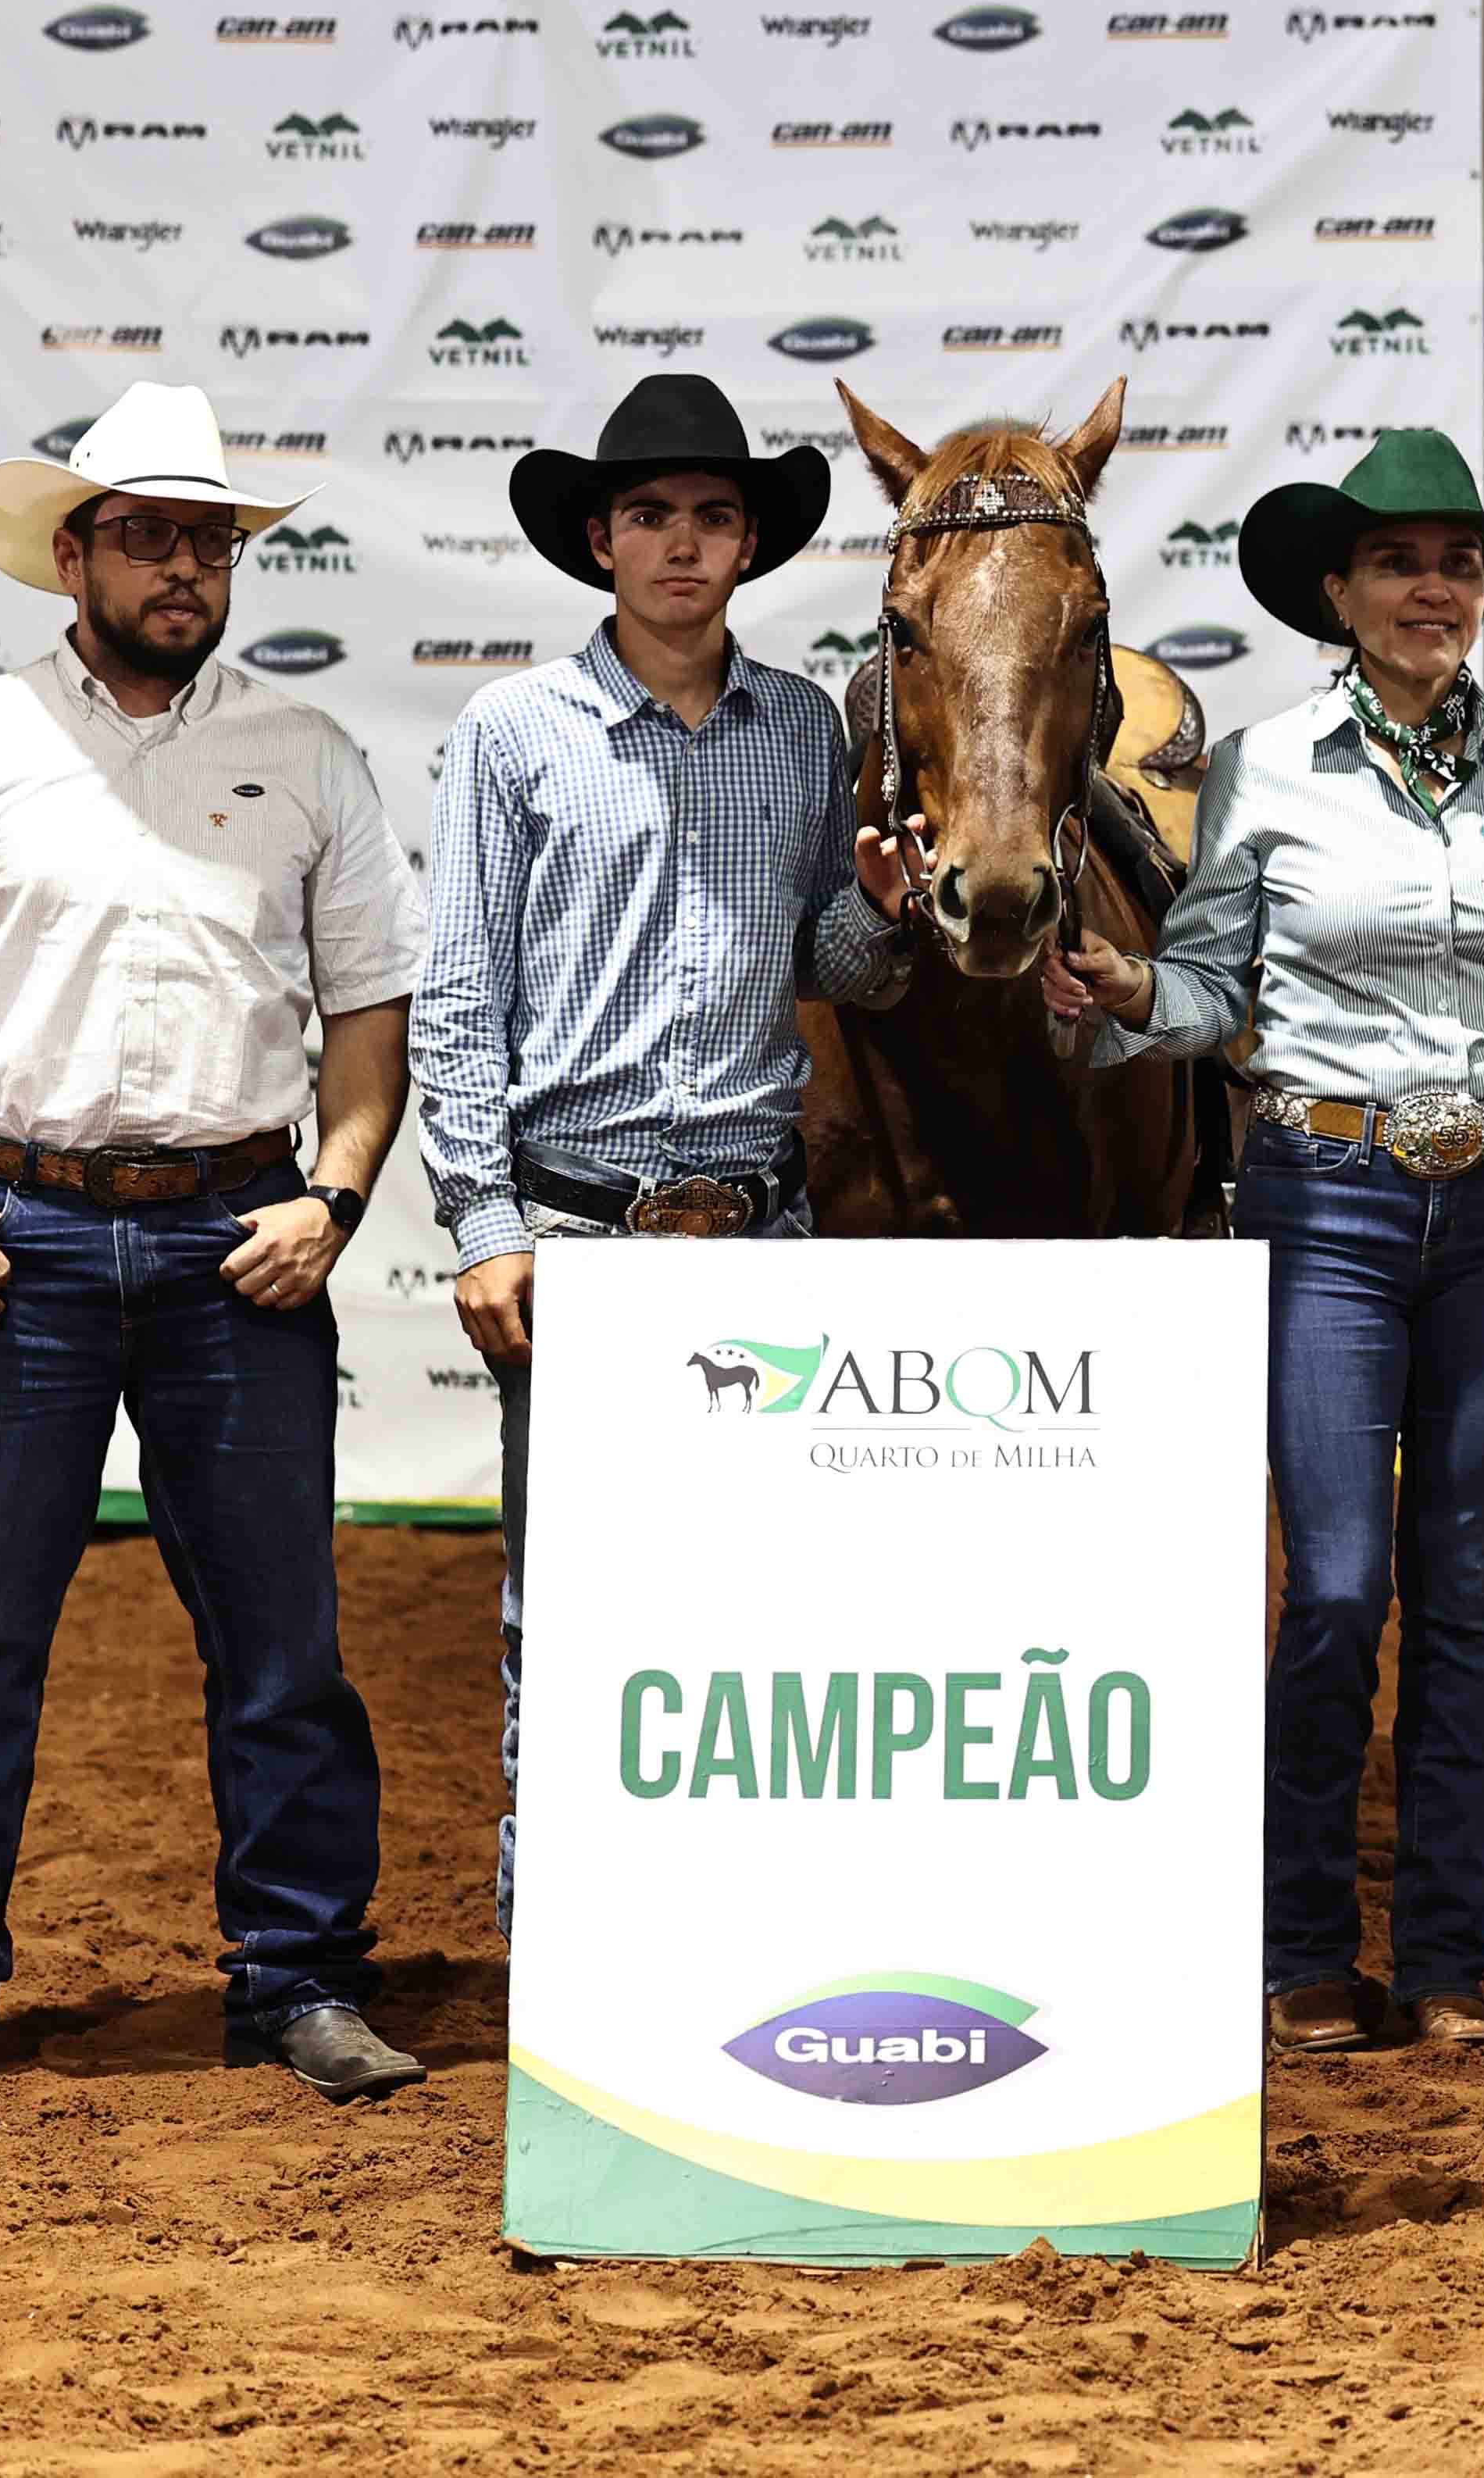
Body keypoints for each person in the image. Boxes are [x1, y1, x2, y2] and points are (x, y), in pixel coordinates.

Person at [0, 383, 429, 2112]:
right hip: (15, 1244)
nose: (181, 567)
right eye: (145, 535)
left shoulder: (309, 753)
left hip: (242, 1244)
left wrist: (336, 1194)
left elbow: (374, 1008)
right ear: (70, 554)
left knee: (285, 1648)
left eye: (206, 539)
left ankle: (301, 1980)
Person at [1040, 434, 1484, 2055]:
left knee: (1464, 1591)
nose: (1431, 589)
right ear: (1338, 592)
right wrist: (1129, 993)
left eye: (1456, 562)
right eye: (1396, 563)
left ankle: (1443, 1962)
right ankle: (1301, 1947)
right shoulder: (1263, 769)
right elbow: (1212, 990)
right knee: (1337, 1588)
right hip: (1325, 1196)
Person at [410, 377, 920, 1934]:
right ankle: (559, 1938)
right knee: (568, 1603)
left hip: (762, 1229)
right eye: (649, 517)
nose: (681, 545)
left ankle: (737, 1925)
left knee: (766, 1606)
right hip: (579, 1234)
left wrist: (878, 913)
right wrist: (484, 1222)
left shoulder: (804, 729)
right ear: (599, 542)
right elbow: (459, 995)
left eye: (711, 517)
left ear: (750, 543)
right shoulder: (513, 732)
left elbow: (830, 971)